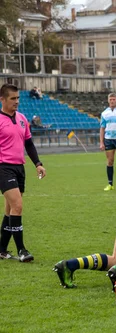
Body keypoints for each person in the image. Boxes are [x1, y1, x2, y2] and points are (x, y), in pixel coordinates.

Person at [0, 84, 46, 262]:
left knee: (10, 210)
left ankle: (2, 249)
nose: (17, 102)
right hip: (3, 167)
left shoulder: (21, 118)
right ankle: (22, 250)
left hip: (19, 168)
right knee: (17, 206)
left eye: (18, 98)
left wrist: (38, 164)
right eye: (13, 98)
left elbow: (29, 144)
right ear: (2, 100)